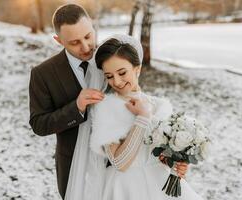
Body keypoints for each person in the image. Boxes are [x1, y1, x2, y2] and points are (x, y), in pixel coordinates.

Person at [86, 35, 204, 200]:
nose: (117, 81)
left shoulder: (160, 106)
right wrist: (142, 117)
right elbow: (119, 163)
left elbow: (163, 155)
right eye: (109, 76)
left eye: (122, 72)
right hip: (124, 188)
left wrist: (177, 164)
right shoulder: (106, 109)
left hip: (160, 184)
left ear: (137, 69)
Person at [28, 4, 105, 199]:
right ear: (58, 40)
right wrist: (76, 108)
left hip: (116, 164)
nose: (86, 47)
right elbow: (39, 124)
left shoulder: (113, 59)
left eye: (88, 36)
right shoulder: (43, 74)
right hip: (73, 167)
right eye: (75, 42)